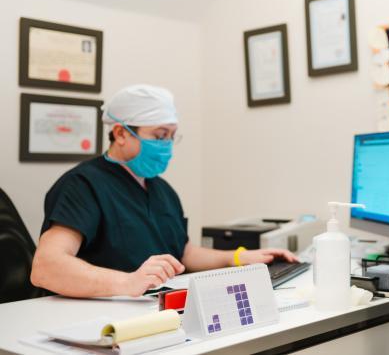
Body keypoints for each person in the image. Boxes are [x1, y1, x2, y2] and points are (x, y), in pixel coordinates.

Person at [30, 85, 297, 298]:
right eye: (159, 136)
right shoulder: (82, 185)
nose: (167, 145)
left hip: (153, 311)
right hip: (98, 317)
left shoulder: (161, 189)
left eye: (171, 135)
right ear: (121, 133)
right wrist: (128, 282)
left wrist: (239, 257)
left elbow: (184, 253)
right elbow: (47, 268)